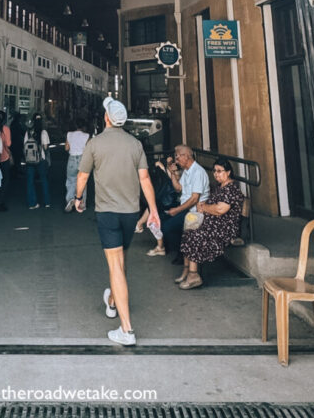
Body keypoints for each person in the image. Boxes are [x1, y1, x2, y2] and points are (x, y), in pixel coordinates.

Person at [75, 95, 159, 347]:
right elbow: (145, 179)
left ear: (107, 118)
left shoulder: (95, 143)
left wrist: (78, 198)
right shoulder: (135, 145)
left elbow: (82, 176)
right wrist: (153, 210)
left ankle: (127, 330)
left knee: (116, 267)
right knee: (120, 263)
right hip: (130, 213)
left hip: (107, 213)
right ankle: (112, 301)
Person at [177, 156, 244, 289]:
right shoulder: (220, 187)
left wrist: (204, 207)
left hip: (224, 227)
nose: (216, 174)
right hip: (214, 224)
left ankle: (193, 274)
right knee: (188, 230)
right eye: (214, 171)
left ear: (228, 172)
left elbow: (220, 209)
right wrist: (205, 207)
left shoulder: (231, 189)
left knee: (196, 235)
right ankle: (188, 271)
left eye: (220, 171)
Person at [147, 145, 210, 261]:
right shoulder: (187, 171)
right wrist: (172, 174)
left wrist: (177, 210)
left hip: (194, 210)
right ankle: (182, 251)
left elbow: (194, 199)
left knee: (167, 227)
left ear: (186, 156)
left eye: (177, 157)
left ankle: (183, 253)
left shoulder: (198, 172)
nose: (176, 161)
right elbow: (178, 188)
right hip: (185, 207)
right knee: (161, 219)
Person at [25, 113, 51, 209]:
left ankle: (32, 203)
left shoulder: (28, 132)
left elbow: (25, 145)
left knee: (30, 181)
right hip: (41, 159)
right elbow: (45, 147)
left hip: (30, 160)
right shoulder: (44, 132)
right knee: (44, 180)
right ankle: (47, 202)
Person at [64, 117, 90, 212]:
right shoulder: (87, 136)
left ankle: (70, 199)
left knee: (71, 180)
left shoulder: (69, 134)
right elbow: (88, 150)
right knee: (83, 181)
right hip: (82, 159)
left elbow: (66, 148)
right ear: (83, 126)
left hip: (72, 159)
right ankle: (82, 203)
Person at [0, 110, 12, 211]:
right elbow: (8, 144)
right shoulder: (6, 129)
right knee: (4, 181)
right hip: (4, 158)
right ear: (4, 119)